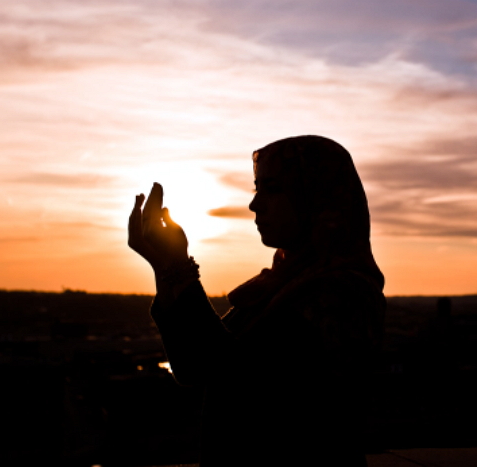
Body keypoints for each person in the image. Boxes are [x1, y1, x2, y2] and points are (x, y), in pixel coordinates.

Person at [128, 135, 385, 466]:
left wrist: (179, 266)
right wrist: (161, 263)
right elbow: (192, 366)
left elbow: (238, 378)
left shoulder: (341, 295)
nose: (255, 204)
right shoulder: (279, 286)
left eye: (273, 188)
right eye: (256, 188)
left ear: (316, 197)